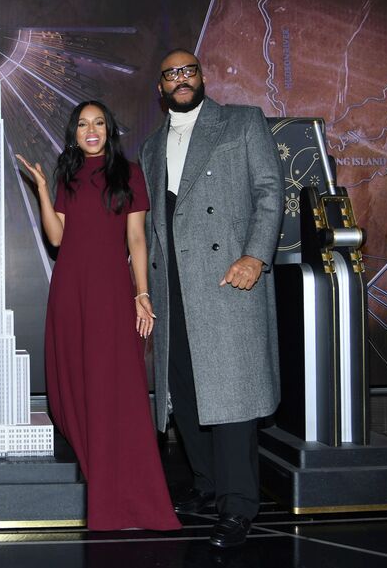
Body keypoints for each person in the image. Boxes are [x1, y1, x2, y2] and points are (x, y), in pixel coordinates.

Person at [139, 49, 283, 548]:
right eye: (171, 74)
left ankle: (239, 506)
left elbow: (269, 191)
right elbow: (154, 228)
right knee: (187, 392)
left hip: (227, 280)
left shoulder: (242, 122)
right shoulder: (151, 147)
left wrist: (255, 257)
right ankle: (207, 485)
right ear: (161, 88)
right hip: (172, 287)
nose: (181, 79)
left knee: (233, 396)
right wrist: (144, 288)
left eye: (189, 71)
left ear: (202, 77)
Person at [17, 100, 180, 531]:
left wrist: (141, 294)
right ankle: (99, 472)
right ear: (74, 133)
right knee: (72, 384)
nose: (92, 131)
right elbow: (57, 237)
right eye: (84, 125)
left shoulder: (130, 174)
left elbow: (137, 241)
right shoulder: (68, 175)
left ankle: (127, 490)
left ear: (109, 130)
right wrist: (41, 189)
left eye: (100, 123)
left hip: (110, 291)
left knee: (117, 388)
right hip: (70, 291)